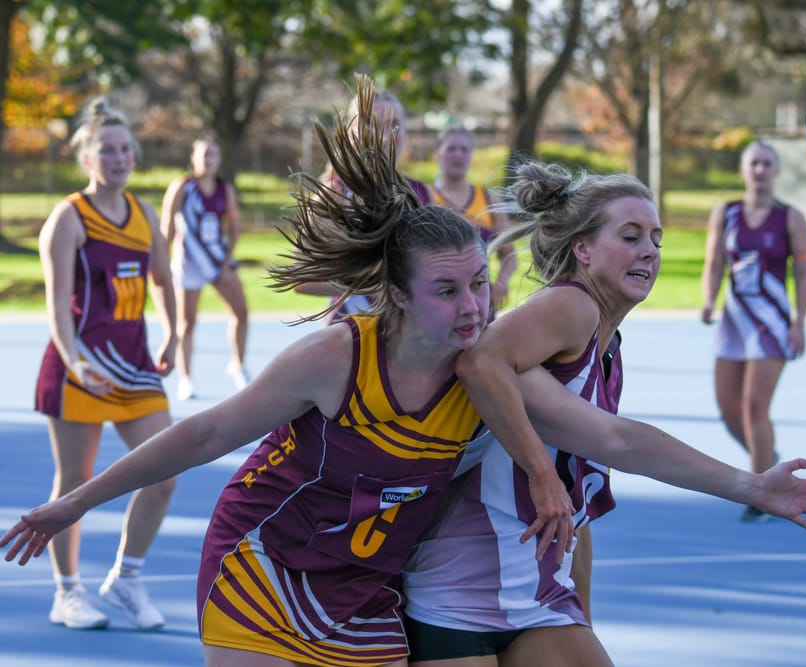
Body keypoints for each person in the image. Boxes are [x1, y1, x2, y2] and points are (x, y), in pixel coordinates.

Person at [1, 76, 574, 667]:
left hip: (362, 590)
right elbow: (206, 433)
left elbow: (607, 436)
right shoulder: (334, 356)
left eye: (479, 284)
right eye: (448, 290)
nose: (474, 307)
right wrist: (76, 503)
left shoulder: (483, 365)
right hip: (264, 569)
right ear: (395, 293)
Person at [399, 162, 806, 666]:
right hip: (458, 597)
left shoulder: (604, 348)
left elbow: (588, 497)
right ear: (582, 250)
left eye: (656, 239)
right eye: (630, 237)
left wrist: (579, 613)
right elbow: (481, 360)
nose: (648, 251)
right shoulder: (573, 305)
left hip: (533, 600)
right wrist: (542, 476)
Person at [32, 97, 178, 631]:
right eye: (106, 150)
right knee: (75, 484)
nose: (118, 158)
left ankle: (127, 578)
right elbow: (56, 302)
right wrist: (74, 359)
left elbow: (165, 280)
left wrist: (174, 335)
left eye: (125, 149)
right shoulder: (69, 217)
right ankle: (66, 592)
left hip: (134, 365)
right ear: (87, 159)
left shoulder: (142, 214)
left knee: (164, 472)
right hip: (82, 364)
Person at [700, 140, 806, 523]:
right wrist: (707, 301)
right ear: (743, 170)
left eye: (767, 164)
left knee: (753, 408)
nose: (760, 170)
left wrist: (799, 322)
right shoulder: (726, 213)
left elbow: (803, 272)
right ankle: (768, 460)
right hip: (734, 322)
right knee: (728, 410)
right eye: (754, 163)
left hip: (771, 324)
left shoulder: (790, 219)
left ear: (777, 171)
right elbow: (714, 261)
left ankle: (762, 488)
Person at [295, 88, 431, 324]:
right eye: (373, 124)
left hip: (411, 333)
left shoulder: (421, 192)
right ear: (352, 130)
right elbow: (302, 278)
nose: (387, 135)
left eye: (395, 123)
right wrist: (372, 281)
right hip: (352, 333)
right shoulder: (333, 195)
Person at [161, 136, 250, 400]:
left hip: (217, 260)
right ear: (193, 158)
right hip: (189, 263)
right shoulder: (182, 187)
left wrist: (226, 262)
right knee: (186, 323)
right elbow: (166, 227)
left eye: (212, 155)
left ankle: (238, 365)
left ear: (219, 160)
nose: (208, 160)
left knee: (241, 312)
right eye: (203, 155)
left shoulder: (225, 190)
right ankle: (186, 379)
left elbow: (234, 227)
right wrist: (163, 264)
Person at [430, 124, 517, 312]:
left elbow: (509, 254)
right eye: (451, 148)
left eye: (464, 149)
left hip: (479, 302)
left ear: (471, 155)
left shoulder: (489, 199)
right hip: (435, 302)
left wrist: (502, 282)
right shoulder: (424, 197)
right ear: (437, 153)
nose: (458, 155)